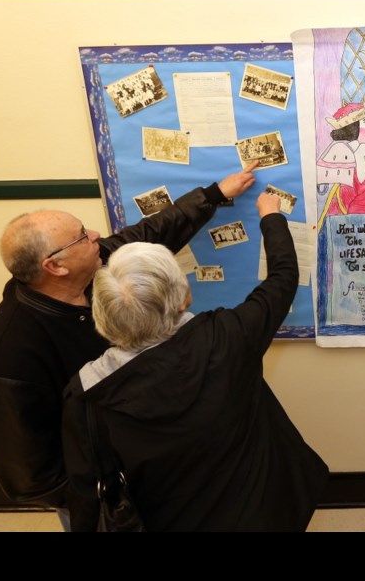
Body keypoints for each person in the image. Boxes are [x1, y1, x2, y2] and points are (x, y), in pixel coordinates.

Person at [0, 164, 258, 519]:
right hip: (112, 499)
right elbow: (29, 476)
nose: (96, 234)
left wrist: (214, 195)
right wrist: (104, 492)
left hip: (157, 468)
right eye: (81, 236)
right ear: (55, 266)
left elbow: (150, 234)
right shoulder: (6, 357)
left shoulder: (93, 271)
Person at [61, 193, 329, 531]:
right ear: (184, 296)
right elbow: (283, 278)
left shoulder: (86, 397)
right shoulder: (228, 336)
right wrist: (271, 216)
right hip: (262, 511)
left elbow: (88, 484)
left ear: (102, 314)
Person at [317, 102, 365, 218]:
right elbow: (351, 207)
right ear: (353, 128)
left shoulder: (343, 148)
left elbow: (352, 190)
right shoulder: (342, 152)